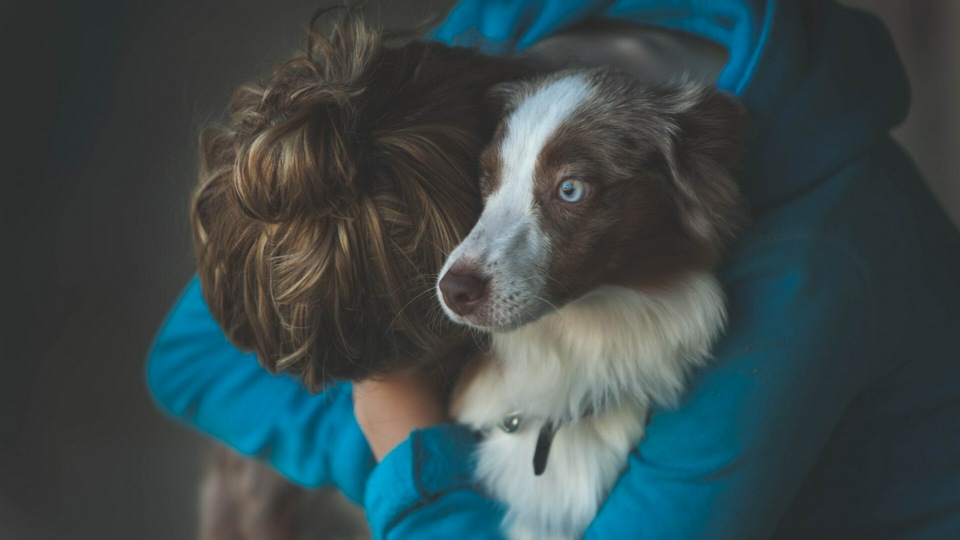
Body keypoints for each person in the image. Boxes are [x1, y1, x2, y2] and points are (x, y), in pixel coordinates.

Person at [147, 1, 960, 538]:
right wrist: (397, 410)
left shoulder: (795, 284)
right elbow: (189, 355)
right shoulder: (465, 81)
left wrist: (415, 449)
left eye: (442, 343)